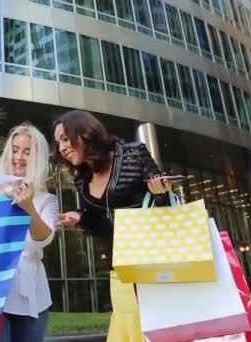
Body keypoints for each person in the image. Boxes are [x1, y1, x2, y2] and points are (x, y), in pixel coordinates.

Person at [52, 110, 171, 342]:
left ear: (85, 132)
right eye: (58, 143)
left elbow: (166, 210)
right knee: (128, 326)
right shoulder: (81, 177)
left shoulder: (133, 154)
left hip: (155, 263)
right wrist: (80, 216)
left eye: (65, 139)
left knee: (155, 329)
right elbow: (101, 222)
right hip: (122, 265)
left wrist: (160, 194)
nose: (61, 148)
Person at [0, 123, 59, 342]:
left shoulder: (46, 199)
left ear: (38, 158)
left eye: (27, 152)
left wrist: (29, 206)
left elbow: (44, 238)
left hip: (32, 296)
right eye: (15, 149)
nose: (18, 157)